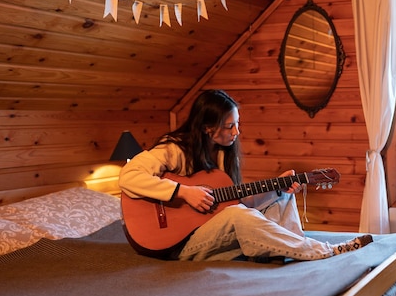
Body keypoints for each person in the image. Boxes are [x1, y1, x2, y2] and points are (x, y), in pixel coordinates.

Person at [118, 89, 373, 262]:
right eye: (230, 126)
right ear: (208, 128)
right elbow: (127, 177)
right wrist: (183, 192)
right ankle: (322, 252)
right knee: (237, 215)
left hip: (210, 229)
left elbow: (237, 204)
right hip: (175, 244)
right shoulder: (174, 149)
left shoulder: (220, 155)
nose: (236, 131)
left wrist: (277, 187)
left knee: (280, 197)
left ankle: (291, 249)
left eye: (237, 124)